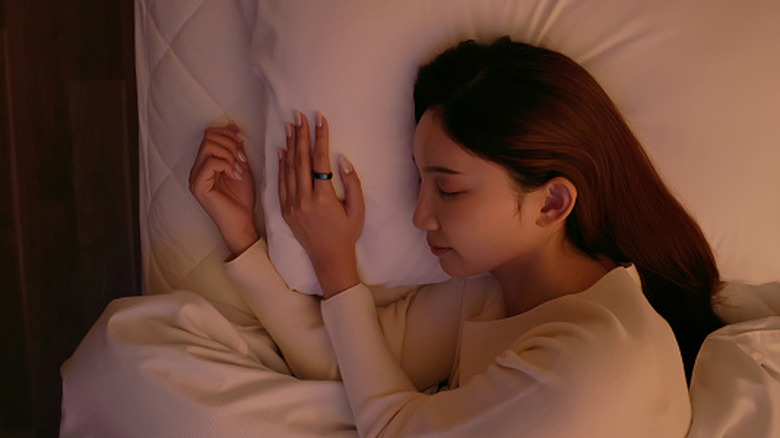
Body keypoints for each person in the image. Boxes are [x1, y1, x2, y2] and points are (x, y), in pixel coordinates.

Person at [187, 37, 724, 436]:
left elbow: (392, 424)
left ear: (553, 202)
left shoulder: (590, 364)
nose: (420, 215)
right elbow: (352, 365)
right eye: (421, 180)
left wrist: (334, 260)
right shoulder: (505, 287)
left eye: (449, 190)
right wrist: (241, 233)